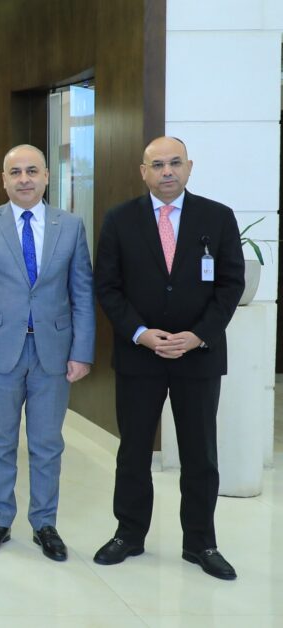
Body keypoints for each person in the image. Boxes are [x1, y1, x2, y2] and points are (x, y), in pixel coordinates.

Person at [92, 136, 244, 580]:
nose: (167, 171)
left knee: (200, 455)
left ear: (189, 167)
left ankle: (201, 543)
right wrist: (140, 333)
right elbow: (107, 286)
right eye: (157, 165)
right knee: (133, 452)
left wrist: (198, 336)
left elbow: (230, 284)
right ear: (143, 172)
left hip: (197, 356)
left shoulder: (217, 217)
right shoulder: (119, 220)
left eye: (175, 163)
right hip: (140, 356)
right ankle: (129, 534)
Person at [0, 144, 95, 562]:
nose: (24, 179)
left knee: (47, 443)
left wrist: (82, 351)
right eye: (15, 172)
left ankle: (44, 523)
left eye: (32, 171)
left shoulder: (70, 226)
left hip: (53, 352)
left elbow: (82, 293)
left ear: (46, 176)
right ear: (3, 180)